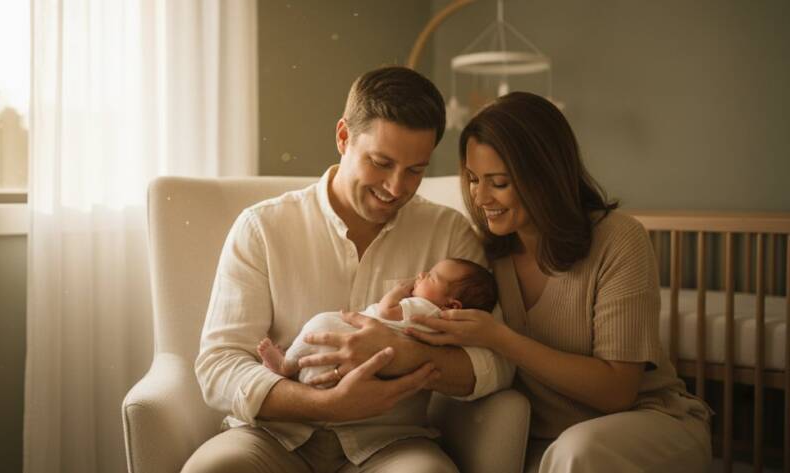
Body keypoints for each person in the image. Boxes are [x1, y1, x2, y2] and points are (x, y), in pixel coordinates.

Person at [184, 67, 514, 473]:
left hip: (391, 445)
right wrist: (326, 405)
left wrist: (406, 356)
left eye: (415, 170)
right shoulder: (263, 228)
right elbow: (219, 366)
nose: (396, 188)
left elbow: (497, 363)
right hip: (274, 436)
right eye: (381, 163)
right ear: (343, 137)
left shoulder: (449, 236)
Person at [405, 92, 713, 473]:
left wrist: (501, 339)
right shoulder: (488, 257)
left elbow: (617, 392)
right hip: (544, 440)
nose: (481, 197)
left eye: (498, 182)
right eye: (472, 179)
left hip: (645, 422)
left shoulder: (618, 240)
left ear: (544, 177)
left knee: (576, 452)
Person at [258, 258, 499, 386]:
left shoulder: (422, 308)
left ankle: (286, 366)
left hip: (345, 338)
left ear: (451, 305)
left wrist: (397, 291)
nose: (422, 274)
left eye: (432, 277)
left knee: (320, 323)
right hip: (363, 368)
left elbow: (386, 311)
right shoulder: (445, 327)